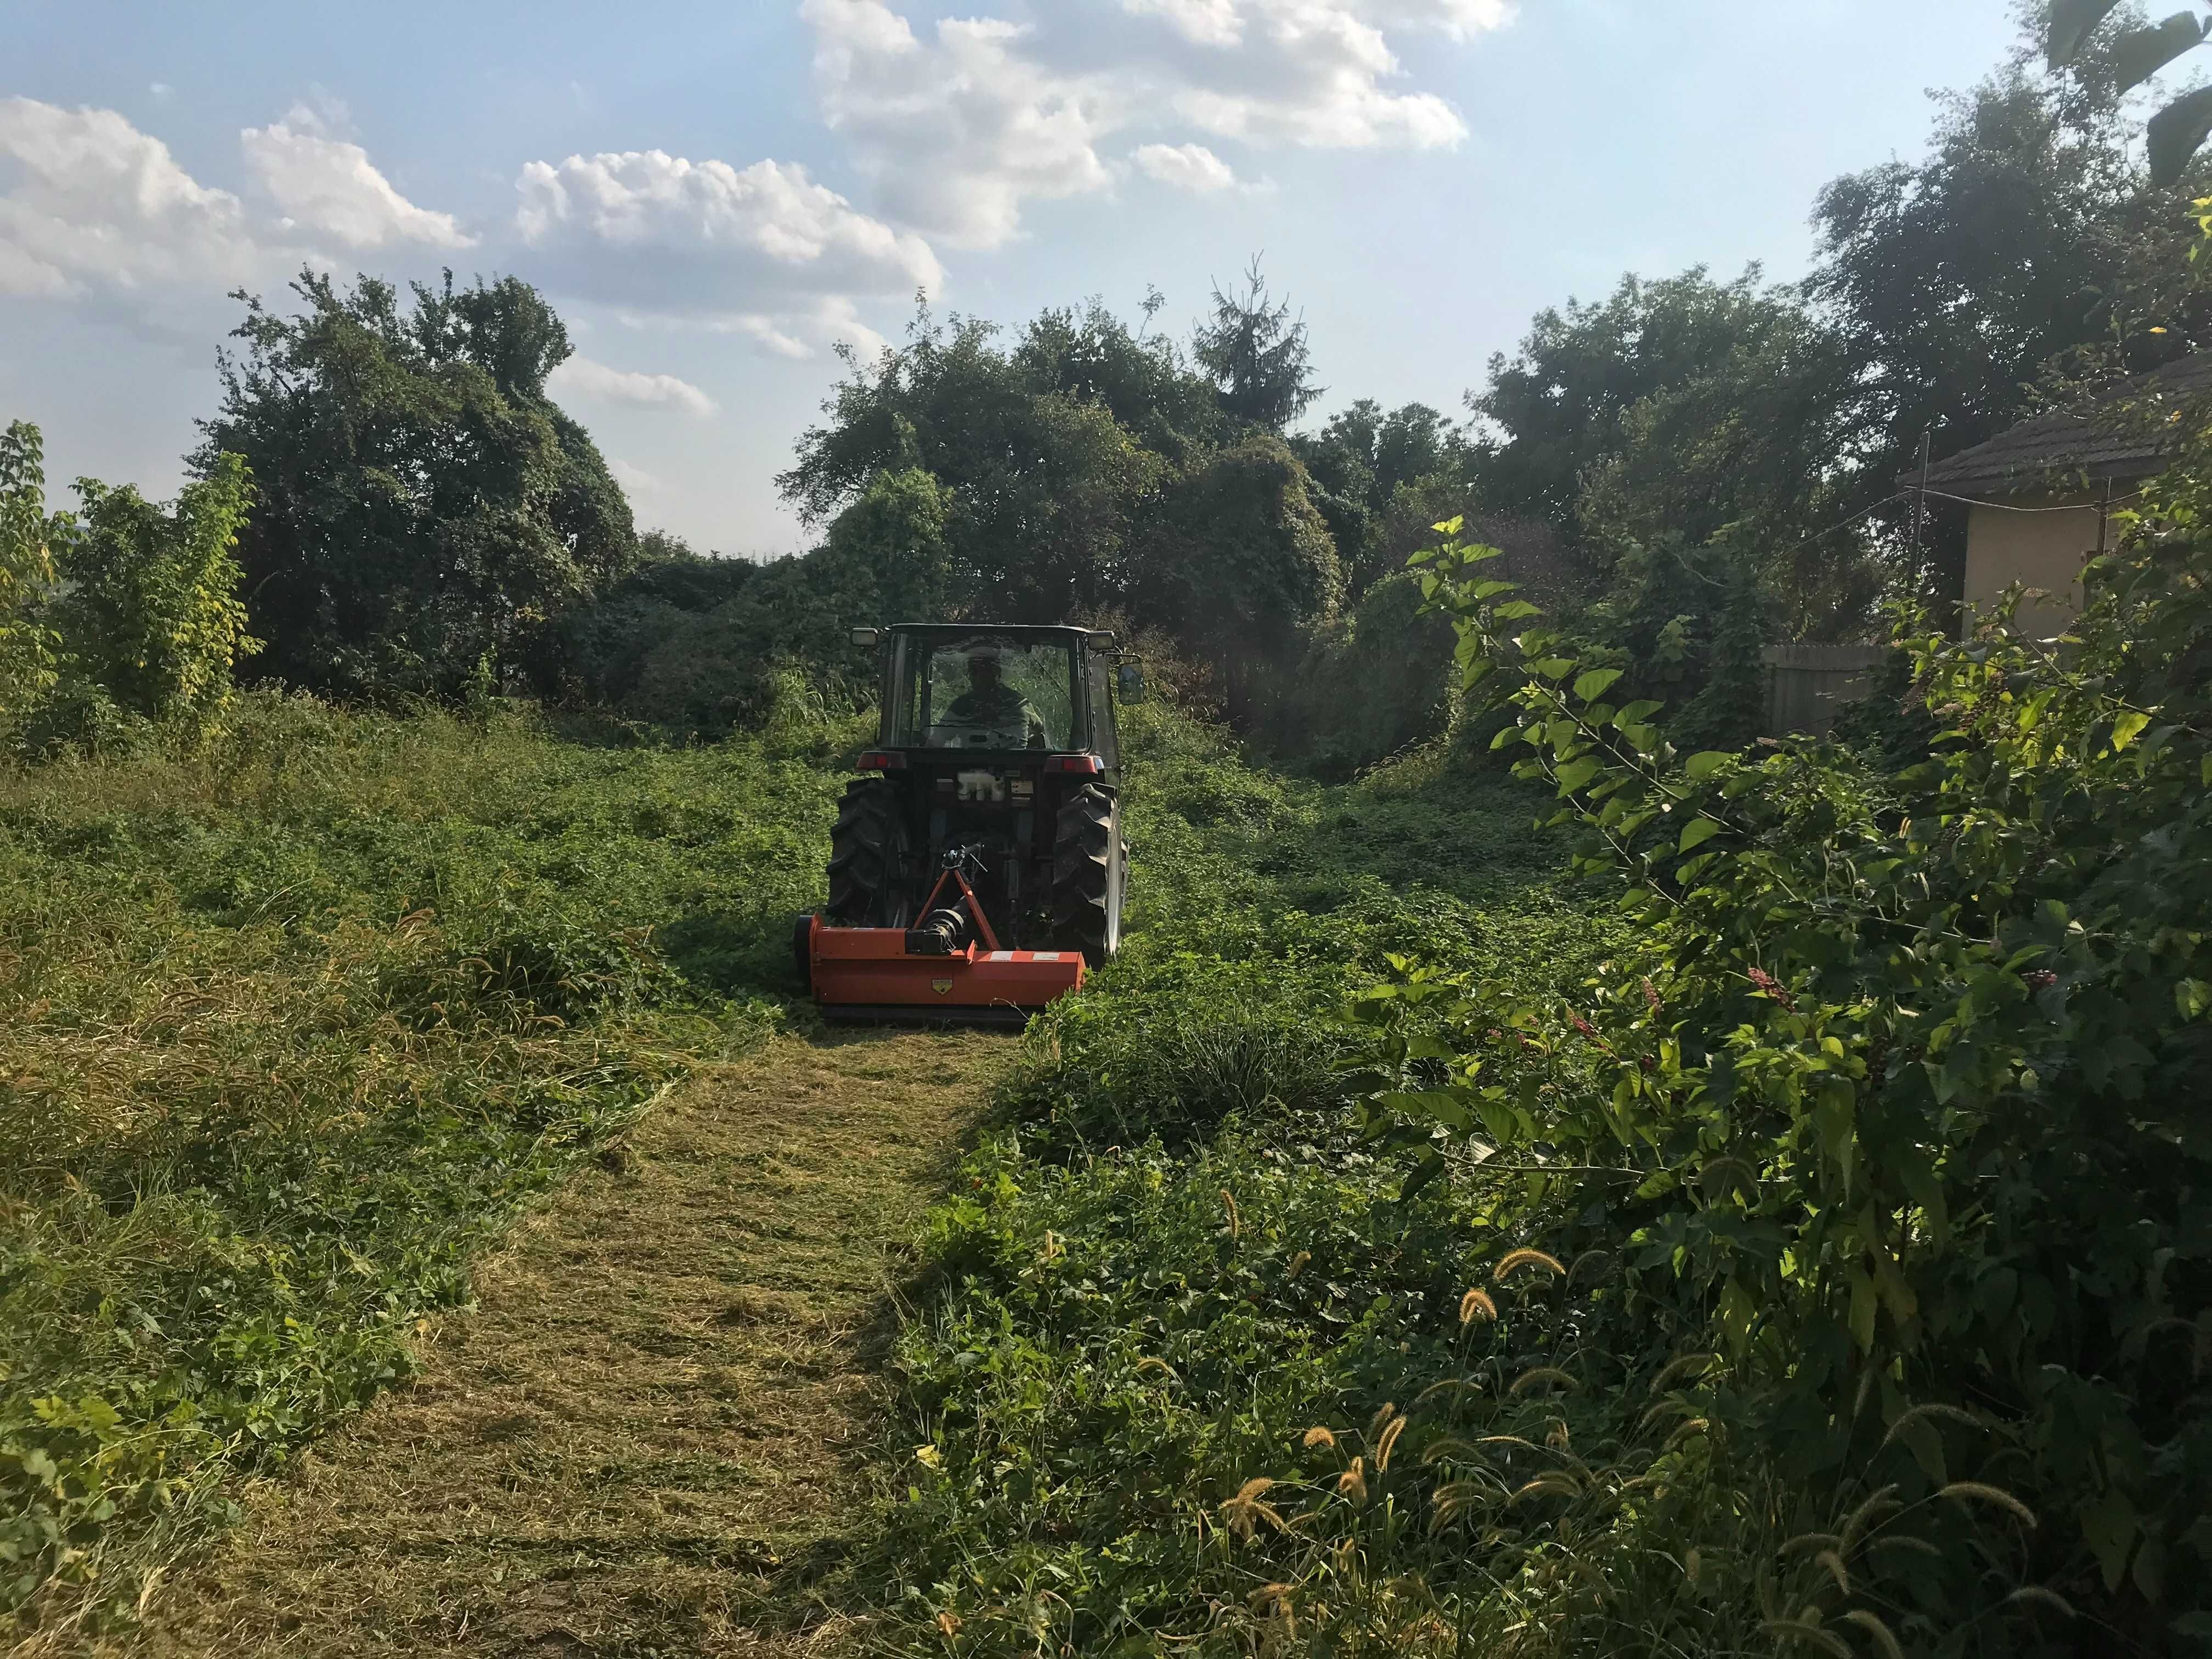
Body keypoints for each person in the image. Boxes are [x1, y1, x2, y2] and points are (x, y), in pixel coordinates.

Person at [941, 644, 1047, 747]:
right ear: (998, 672)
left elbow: (935, 742)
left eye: (974, 671)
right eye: (972, 671)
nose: (971, 677)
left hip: (971, 764)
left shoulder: (961, 706)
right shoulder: (1020, 703)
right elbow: (1040, 730)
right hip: (1016, 764)